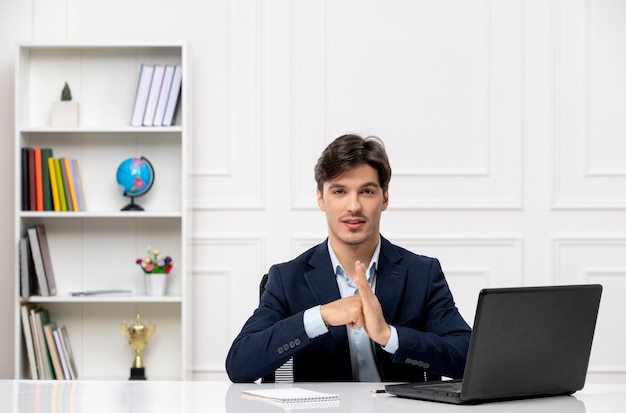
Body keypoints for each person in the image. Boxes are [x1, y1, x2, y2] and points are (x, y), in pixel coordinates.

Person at [225, 134, 471, 383]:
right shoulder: (287, 278)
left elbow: (469, 358)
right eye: (339, 191)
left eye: (366, 191)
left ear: (384, 198)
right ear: (321, 198)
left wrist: (389, 335)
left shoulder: (422, 273)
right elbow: (239, 364)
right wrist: (320, 316)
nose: (353, 206)